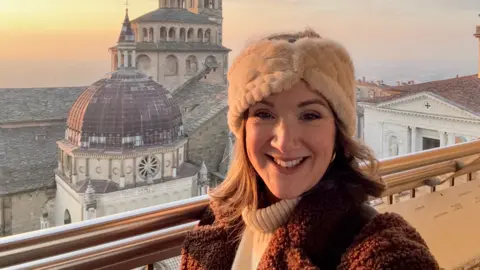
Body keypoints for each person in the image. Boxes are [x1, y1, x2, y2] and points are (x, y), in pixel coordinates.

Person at [180, 29, 439, 270]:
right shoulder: (218, 220)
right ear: (243, 128)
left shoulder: (381, 251)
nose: (284, 141)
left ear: (338, 133)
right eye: (264, 113)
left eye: (310, 115)